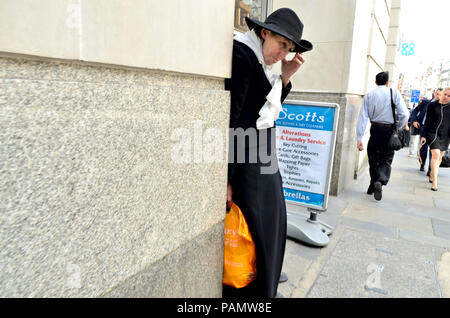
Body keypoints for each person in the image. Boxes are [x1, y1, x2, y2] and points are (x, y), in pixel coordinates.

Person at [224, 8, 312, 298]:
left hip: (260, 163)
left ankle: (266, 284)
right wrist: (226, 178)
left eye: (289, 49)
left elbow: (263, 110)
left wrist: (284, 77)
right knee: (258, 234)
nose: (283, 54)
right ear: (265, 32)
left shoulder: (258, 59)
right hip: (248, 167)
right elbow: (234, 121)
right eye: (282, 44)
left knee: (269, 230)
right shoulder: (243, 55)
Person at [356, 72, 408, 201]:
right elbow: (405, 114)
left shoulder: (369, 95)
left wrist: (359, 137)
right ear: (387, 82)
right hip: (389, 130)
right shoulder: (393, 93)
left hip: (375, 128)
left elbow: (362, 117)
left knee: (373, 157)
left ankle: (373, 184)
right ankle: (380, 180)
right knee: (386, 158)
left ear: (375, 82)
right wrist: (399, 126)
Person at [420, 87, 450, 191]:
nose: (446, 97)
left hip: (445, 136)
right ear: (441, 94)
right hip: (432, 134)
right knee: (436, 154)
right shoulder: (432, 105)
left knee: (440, 156)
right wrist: (423, 135)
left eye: (449, 96)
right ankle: (435, 182)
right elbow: (427, 121)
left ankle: (433, 174)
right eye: (445, 94)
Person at [412, 88, 443, 174]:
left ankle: (430, 169)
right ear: (434, 94)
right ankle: (422, 164)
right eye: (437, 94)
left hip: (435, 131)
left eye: (440, 94)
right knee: (423, 148)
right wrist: (414, 120)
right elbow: (415, 110)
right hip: (424, 128)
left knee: (433, 150)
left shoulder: (443, 106)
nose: (438, 96)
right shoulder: (426, 102)